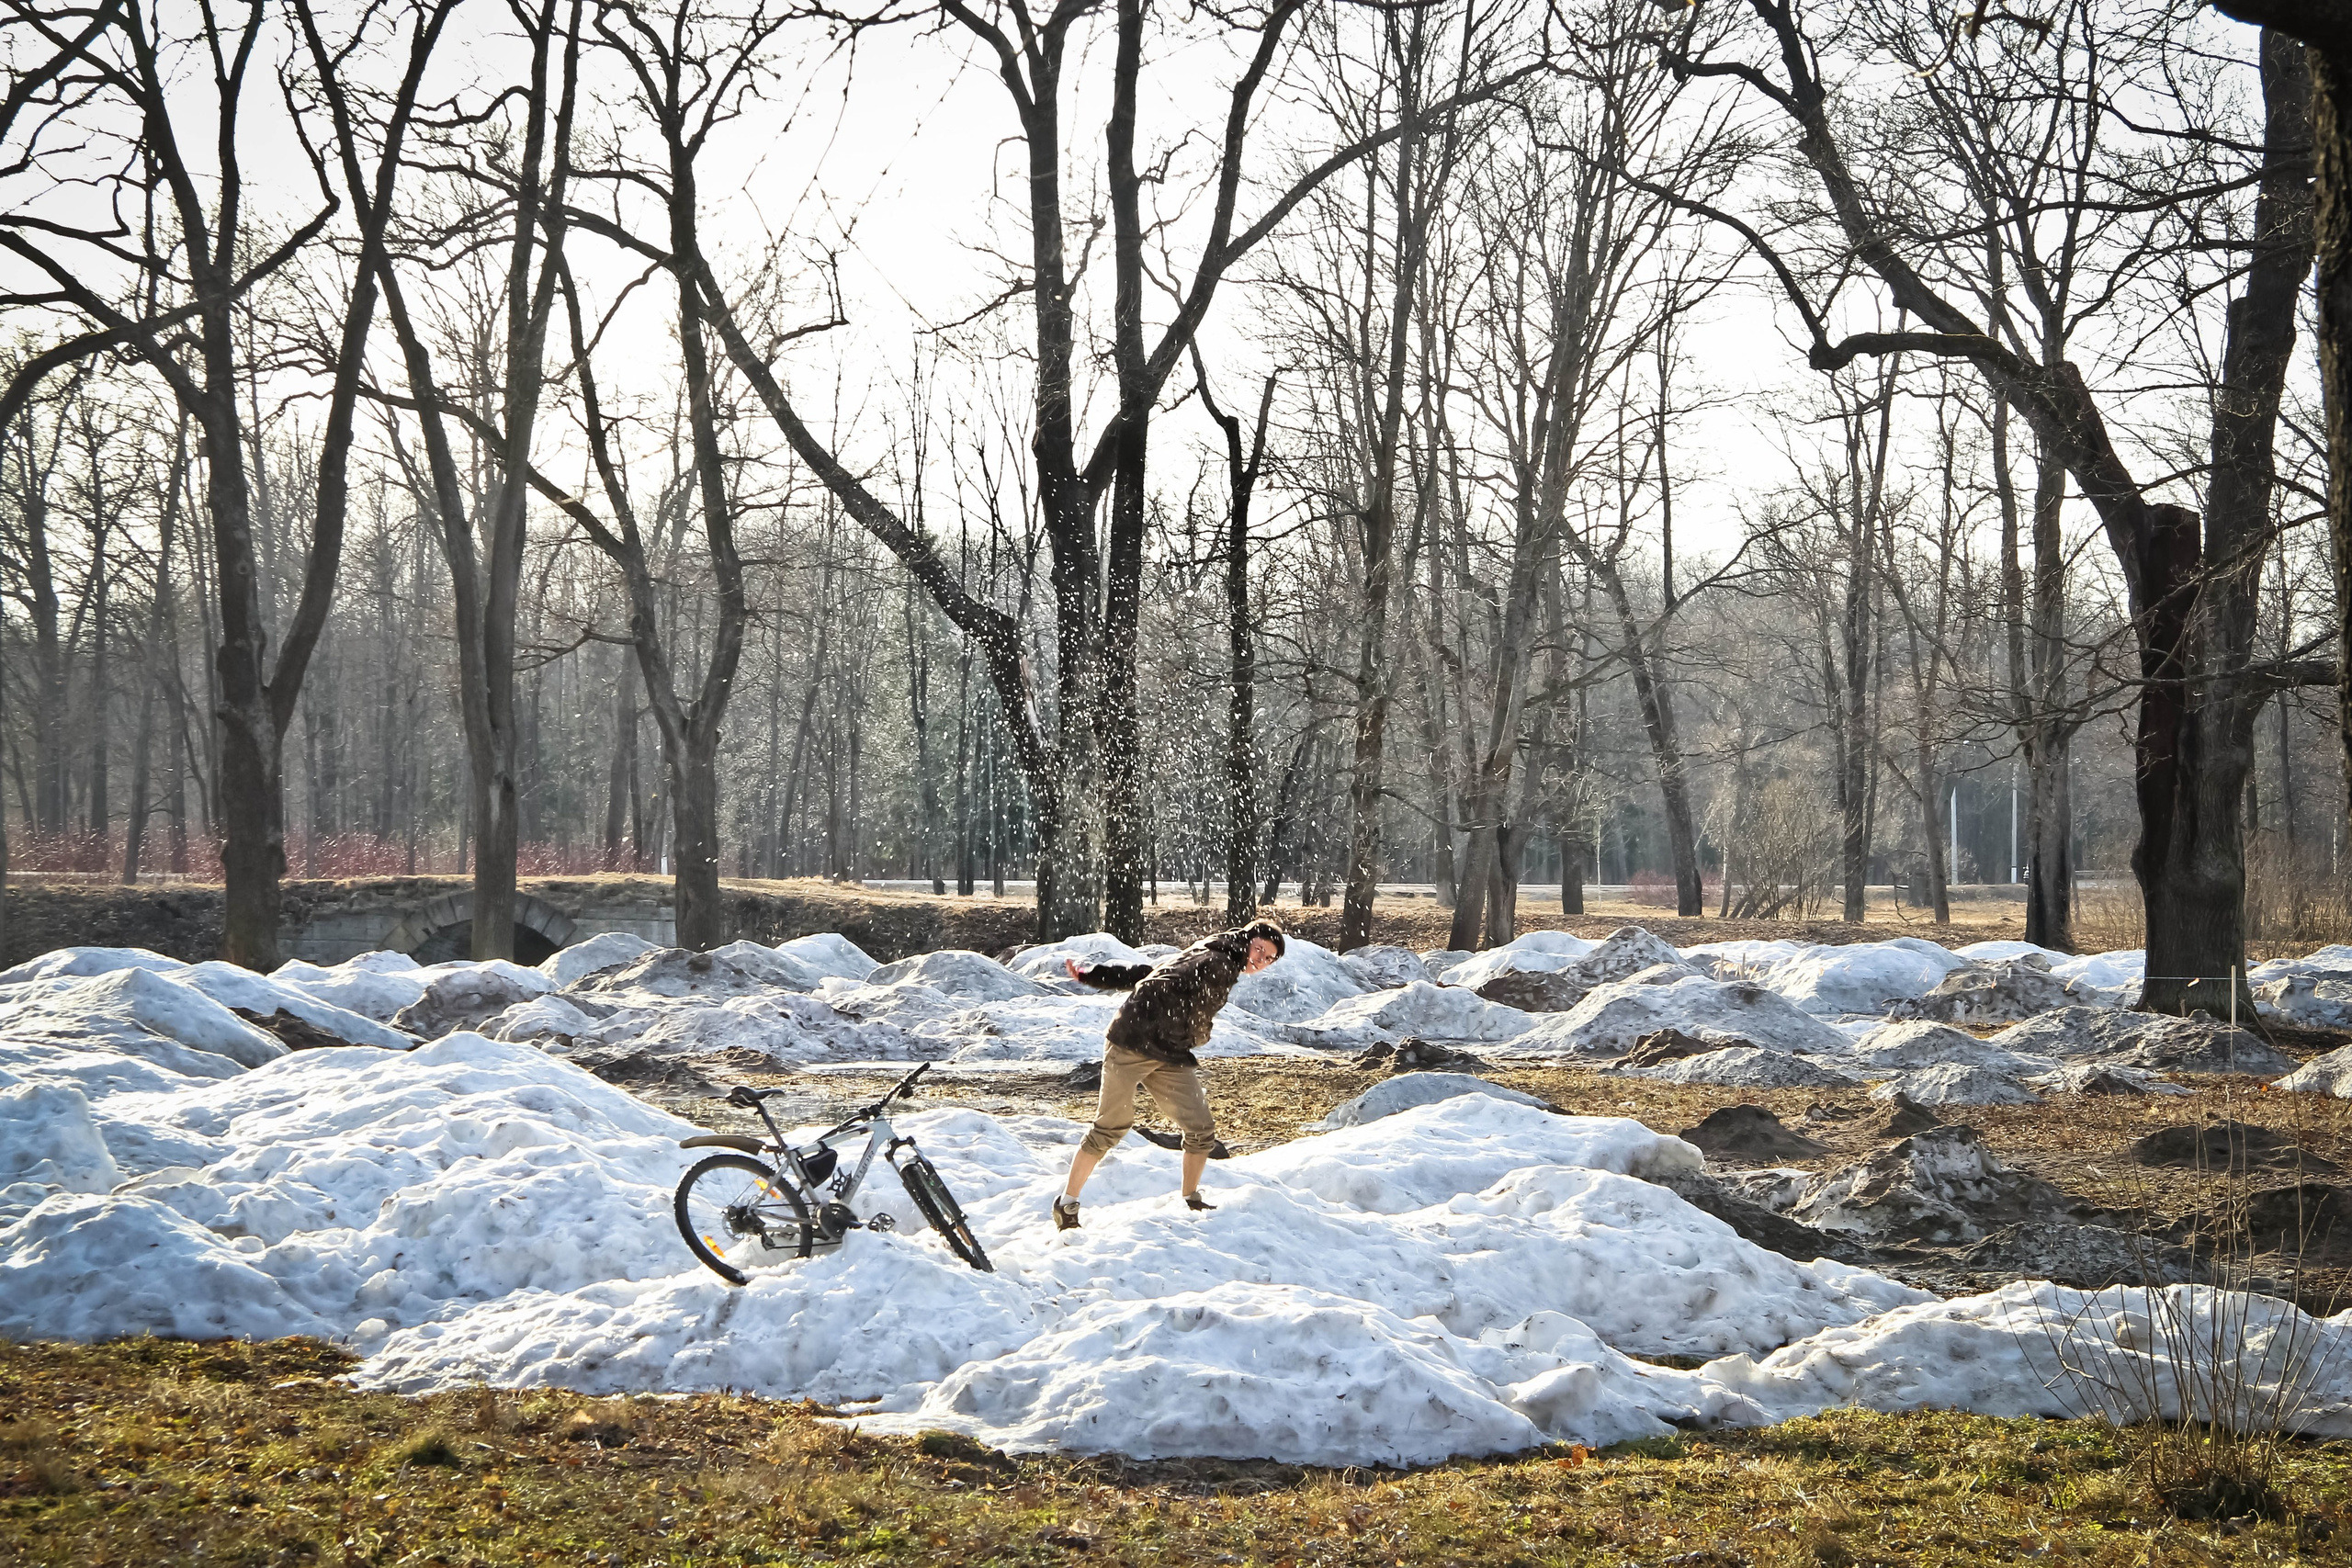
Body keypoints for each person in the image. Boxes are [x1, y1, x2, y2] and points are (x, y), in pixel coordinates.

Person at [1050, 919, 1288, 1229]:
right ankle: (1067, 1205)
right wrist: (1198, 1033)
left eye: (1268, 958)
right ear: (1247, 940)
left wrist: (1094, 976)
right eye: (1259, 950)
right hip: (1131, 1044)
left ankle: (1191, 1199)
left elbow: (1145, 973)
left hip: (1168, 1051)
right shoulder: (1220, 963)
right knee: (1110, 1127)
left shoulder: (1207, 951)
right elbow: (1163, 988)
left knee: (1200, 1129)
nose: (1259, 961)